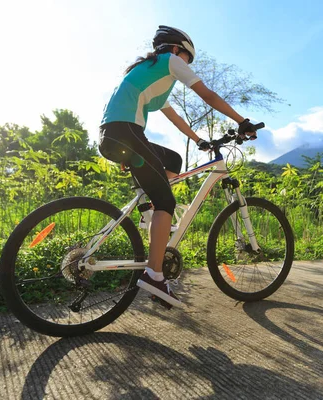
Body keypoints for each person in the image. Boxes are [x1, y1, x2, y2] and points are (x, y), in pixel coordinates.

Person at [98, 25, 257, 309]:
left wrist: (199, 140)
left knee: (172, 161)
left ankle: (155, 217)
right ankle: (154, 275)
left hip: (115, 136)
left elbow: (173, 117)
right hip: (126, 133)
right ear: (176, 50)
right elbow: (207, 95)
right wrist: (241, 121)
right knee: (166, 201)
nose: (186, 65)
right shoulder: (169, 62)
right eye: (187, 58)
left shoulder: (153, 73)